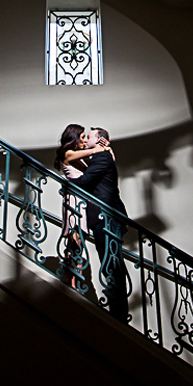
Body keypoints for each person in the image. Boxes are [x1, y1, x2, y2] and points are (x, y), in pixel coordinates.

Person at [73, 127, 129, 322]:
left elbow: (86, 181)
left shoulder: (101, 158)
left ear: (99, 140)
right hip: (106, 217)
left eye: (89, 137)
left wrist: (69, 181)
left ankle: (119, 312)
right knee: (111, 262)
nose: (86, 140)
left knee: (112, 263)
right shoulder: (103, 157)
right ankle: (118, 309)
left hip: (106, 217)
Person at [54, 124, 111, 288]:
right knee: (75, 238)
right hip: (73, 199)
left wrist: (107, 150)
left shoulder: (79, 157)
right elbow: (93, 152)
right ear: (74, 137)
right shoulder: (68, 153)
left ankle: (73, 279)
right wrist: (100, 147)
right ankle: (70, 280)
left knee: (79, 238)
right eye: (83, 136)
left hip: (82, 201)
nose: (85, 140)